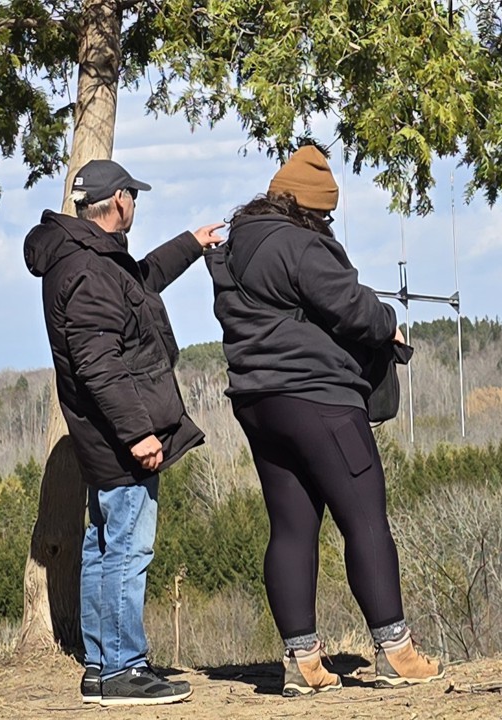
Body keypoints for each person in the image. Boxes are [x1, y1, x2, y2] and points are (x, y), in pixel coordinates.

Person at [205, 145, 445, 697]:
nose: (328, 223)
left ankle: (303, 662)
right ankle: (397, 653)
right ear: (311, 208)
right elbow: (351, 306)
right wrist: (387, 322)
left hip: (257, 403)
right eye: (326, 214)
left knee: (291, 528)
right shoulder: (301, 244)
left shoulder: (236, 246)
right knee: (365, 520)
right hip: (320, 399)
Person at [23, 159, 225, 706]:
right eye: (133, 195)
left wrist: (190, 244)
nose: (135, 202)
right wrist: (138, 433)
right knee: (127, 550)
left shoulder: (87, 258)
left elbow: (141, 280)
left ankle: (101, 664)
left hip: (101, 434)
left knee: (103, 544)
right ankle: (122, 668)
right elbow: (99, 365)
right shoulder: (88, 270)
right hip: (118, 437)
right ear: (118, 201)